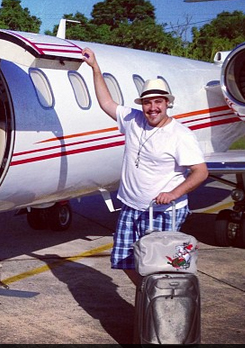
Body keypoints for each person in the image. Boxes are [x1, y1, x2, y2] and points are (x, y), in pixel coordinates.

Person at [82, 47, 208, 285]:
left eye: (158, 102)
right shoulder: (133, 120)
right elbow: (106, 102)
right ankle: (151, 299)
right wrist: (95, 68)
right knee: (124, 260)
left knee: (158, 267)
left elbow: (201, 172)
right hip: (131, 206)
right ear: (142, 105)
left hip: (163, 212)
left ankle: (159, 304)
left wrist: (173, 194)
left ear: (167, 103)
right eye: (148, 103)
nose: (152, 108)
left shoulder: (180, 135)